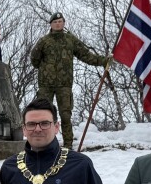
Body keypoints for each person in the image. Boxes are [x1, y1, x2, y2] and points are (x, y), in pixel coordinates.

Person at [30, 12, 110, 149]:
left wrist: (103, 61)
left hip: (64, 85)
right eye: (55, 22)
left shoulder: (70, 40)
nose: (58, 24)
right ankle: (44, 144)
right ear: (51, 24)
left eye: (60, 21)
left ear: (64, 23)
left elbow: (85, 55)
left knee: (65, 115)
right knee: (43, 116)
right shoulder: (44, 41)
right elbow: (34, 59)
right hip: (46, 85)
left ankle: (68, 146)